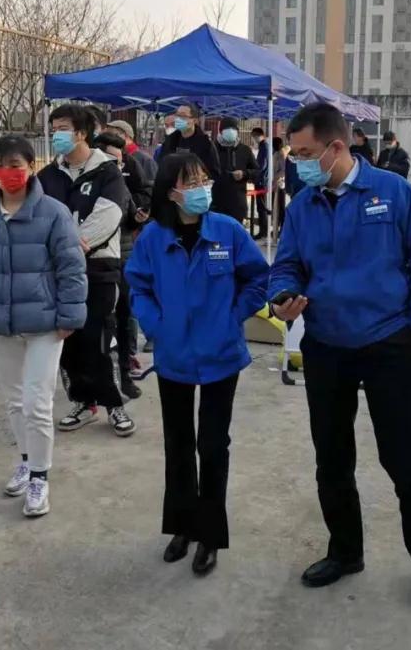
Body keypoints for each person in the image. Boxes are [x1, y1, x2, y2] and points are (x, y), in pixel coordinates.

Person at [269, 102, 411, 607]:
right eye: (293, 154)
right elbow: (286, 264)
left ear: (337, 147)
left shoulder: (391, 192)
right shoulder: (303, 204)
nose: (298, 162)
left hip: (390, 344)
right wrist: (282, 297)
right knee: (332, 459)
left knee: (406, 463)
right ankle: (346, 551)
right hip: (327, 345)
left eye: (305, 153)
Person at [126, 153, 269, 575]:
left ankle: (209, 535)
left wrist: (232, 316)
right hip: (174, 356)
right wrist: (157, 325)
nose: (202, 188)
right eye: (191, 182)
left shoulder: (228, 230)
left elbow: (258, 278)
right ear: (171, 191)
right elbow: (138, 287)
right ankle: (182, 527)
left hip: (221, 355)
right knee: (178, 444)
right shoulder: (153, 238)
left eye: (204, 180)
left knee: (212, 444)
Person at [0, 135, 87, 518]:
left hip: (45, 324)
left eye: (15, 166)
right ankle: (26, 459)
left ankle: (39, 477)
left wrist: (69, 315)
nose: (7, 174)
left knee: (37, 403)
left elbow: (71, 266)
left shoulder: (53, 212)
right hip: (1, 323)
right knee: (14, 401)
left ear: (31, 167)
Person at [38, 104, 136, 436]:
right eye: (54, 129)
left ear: (82, 133)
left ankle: (115, 404)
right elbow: (40, 219)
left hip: (98, 267)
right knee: (68, 340)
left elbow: (108, 217)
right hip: (57, 271)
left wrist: (68, 247)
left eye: (63, 128)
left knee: (99, 337)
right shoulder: (47, 176)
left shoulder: (107, 171)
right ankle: (83, 402)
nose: (57, 135)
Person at [92, 130, 147, 398]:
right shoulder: (86, 185)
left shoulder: (121, 183)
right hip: (94, 263)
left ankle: (124, 375)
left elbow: (133, 211)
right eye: (113, 160)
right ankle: (93, 382)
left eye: (121, 160)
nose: (119, 165)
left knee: (125, 317)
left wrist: (138, 216)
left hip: (123, 258)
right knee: (97, 323)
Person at [211, 118, 259, 223]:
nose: (231, 131)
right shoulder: (211, 148)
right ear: (221, 131)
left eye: (233, 129)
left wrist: (245, 174)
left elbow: (257, 172)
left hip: (237, 205)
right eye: (227, 128)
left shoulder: (245, 150)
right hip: (216, 204)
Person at [156, 102, 220, 180]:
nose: (178, 119)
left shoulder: (206, 144)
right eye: (177, 115)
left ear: (194, 120)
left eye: (183, 116)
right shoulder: (170, 141)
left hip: (195, 185)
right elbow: (161, 165)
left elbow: (214, 173)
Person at [251, 126, 271, 239]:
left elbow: (262, 165)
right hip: (261, 179)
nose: (254, 138)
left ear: (260, 135)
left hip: (261, 181)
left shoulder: (264, 146)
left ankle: (263, 231)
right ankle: (263, 230)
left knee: (261, 207)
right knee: (261, 206)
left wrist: (254, 173)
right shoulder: (263, 146)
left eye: (255, 136)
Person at [272, 135, 287, 231]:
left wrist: (276, 178)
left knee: (280, 206)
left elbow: (283, 170)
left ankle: (282, 227)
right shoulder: (275, 153)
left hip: (280, 184)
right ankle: (276, 226)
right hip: (275, 183)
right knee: (276, 207)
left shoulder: (281, 154)